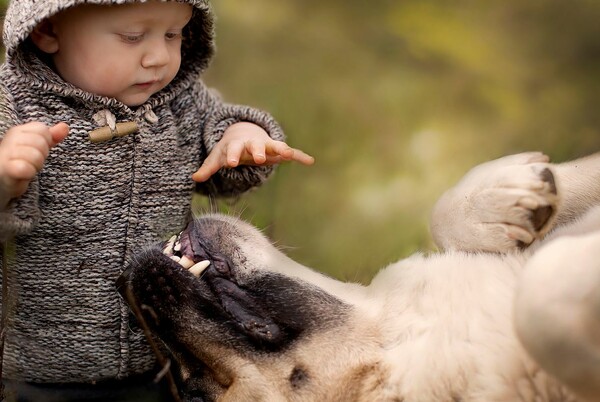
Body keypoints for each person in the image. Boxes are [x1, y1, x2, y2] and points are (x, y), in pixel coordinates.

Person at [0, 0, 313, 400]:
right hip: (37, 373)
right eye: (133, 37)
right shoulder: (13, 106)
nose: (160, 57)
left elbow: (218, 126)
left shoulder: (179, 103)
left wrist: (239, 137)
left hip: (163, 355)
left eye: (173, 34)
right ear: (47, 30)